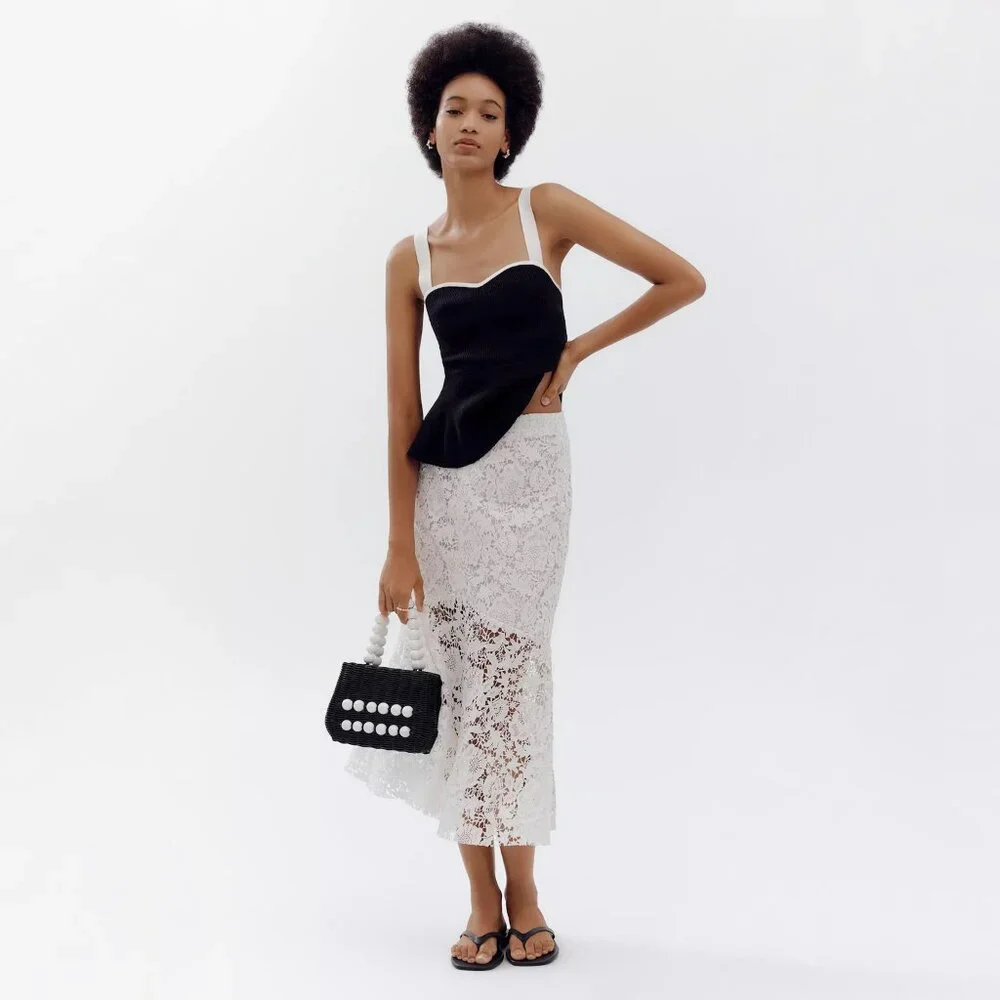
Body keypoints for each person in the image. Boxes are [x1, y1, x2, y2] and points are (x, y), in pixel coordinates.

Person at [344, 21, 706, 970]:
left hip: (533, 482)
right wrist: (398, 542)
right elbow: (402, 410)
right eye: (453, 109)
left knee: (513, 681)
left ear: (511, 133)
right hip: (445, 494)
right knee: (457, 688)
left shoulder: (548, 210)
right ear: (429, 129)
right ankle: (480, 900)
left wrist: (577, 350)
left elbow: (681, 278)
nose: (469, 123)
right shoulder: (409, 258)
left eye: (489, 111)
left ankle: (528, 892)